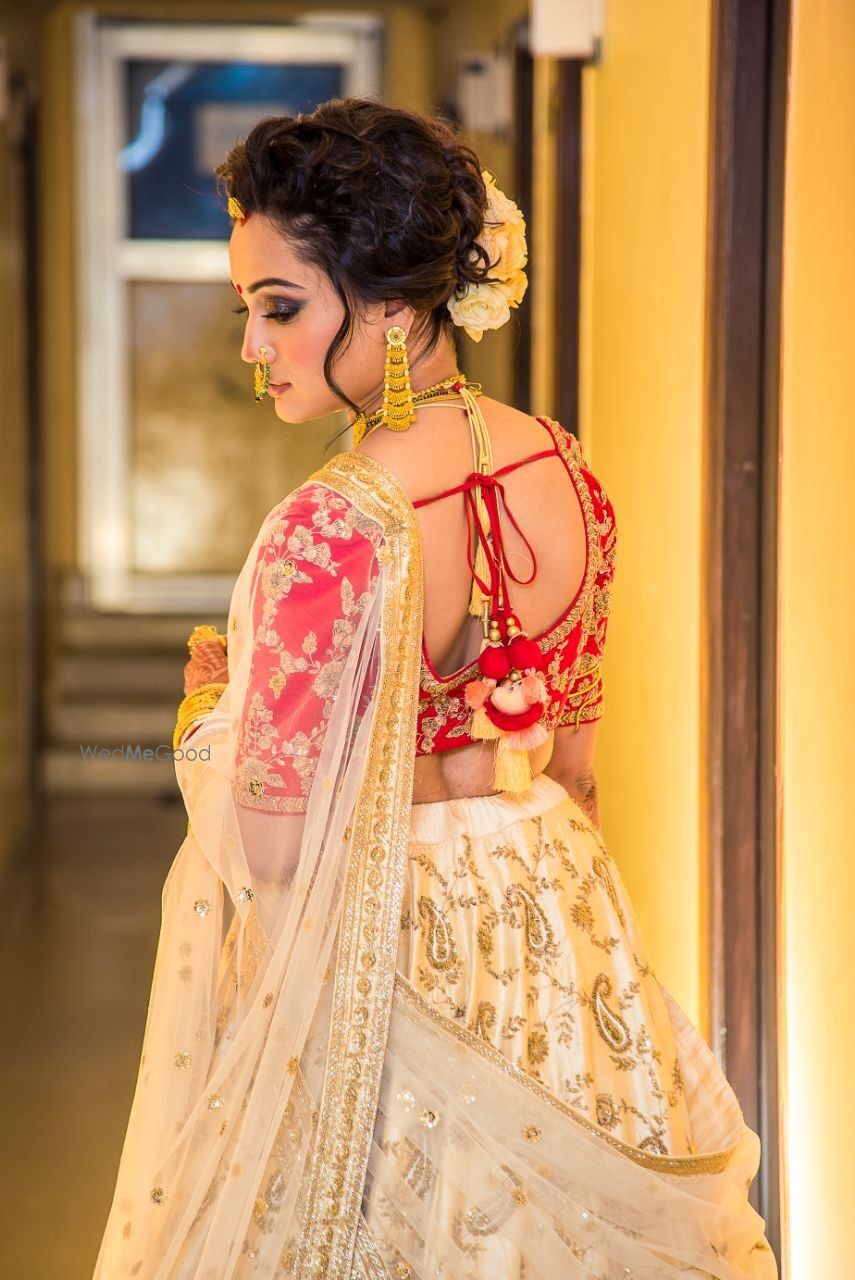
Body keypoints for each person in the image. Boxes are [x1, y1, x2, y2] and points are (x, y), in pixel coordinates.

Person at [92, 98, 777, 1279]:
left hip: (382, 942)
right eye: (248, 313)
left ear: (396, 311)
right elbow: (575, 762)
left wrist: (211, 716)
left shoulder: (334, 522)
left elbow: (269, 850)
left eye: (281, 309)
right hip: (558, 923)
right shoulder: (565, 468)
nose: (253, 347)